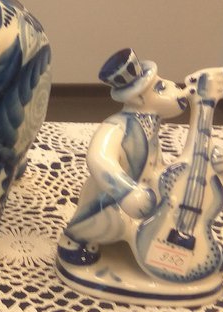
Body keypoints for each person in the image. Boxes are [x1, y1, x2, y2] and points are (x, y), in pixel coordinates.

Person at [57, 49, 192, 267]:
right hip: (115, 199)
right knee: (117, 224)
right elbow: (98, 158)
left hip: (148, 195)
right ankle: (75, 239)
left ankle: (191, 253)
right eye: (160, 87)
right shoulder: (117, 127)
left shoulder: (150, 125)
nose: (173, 86)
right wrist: (127, 191)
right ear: (138, 99)